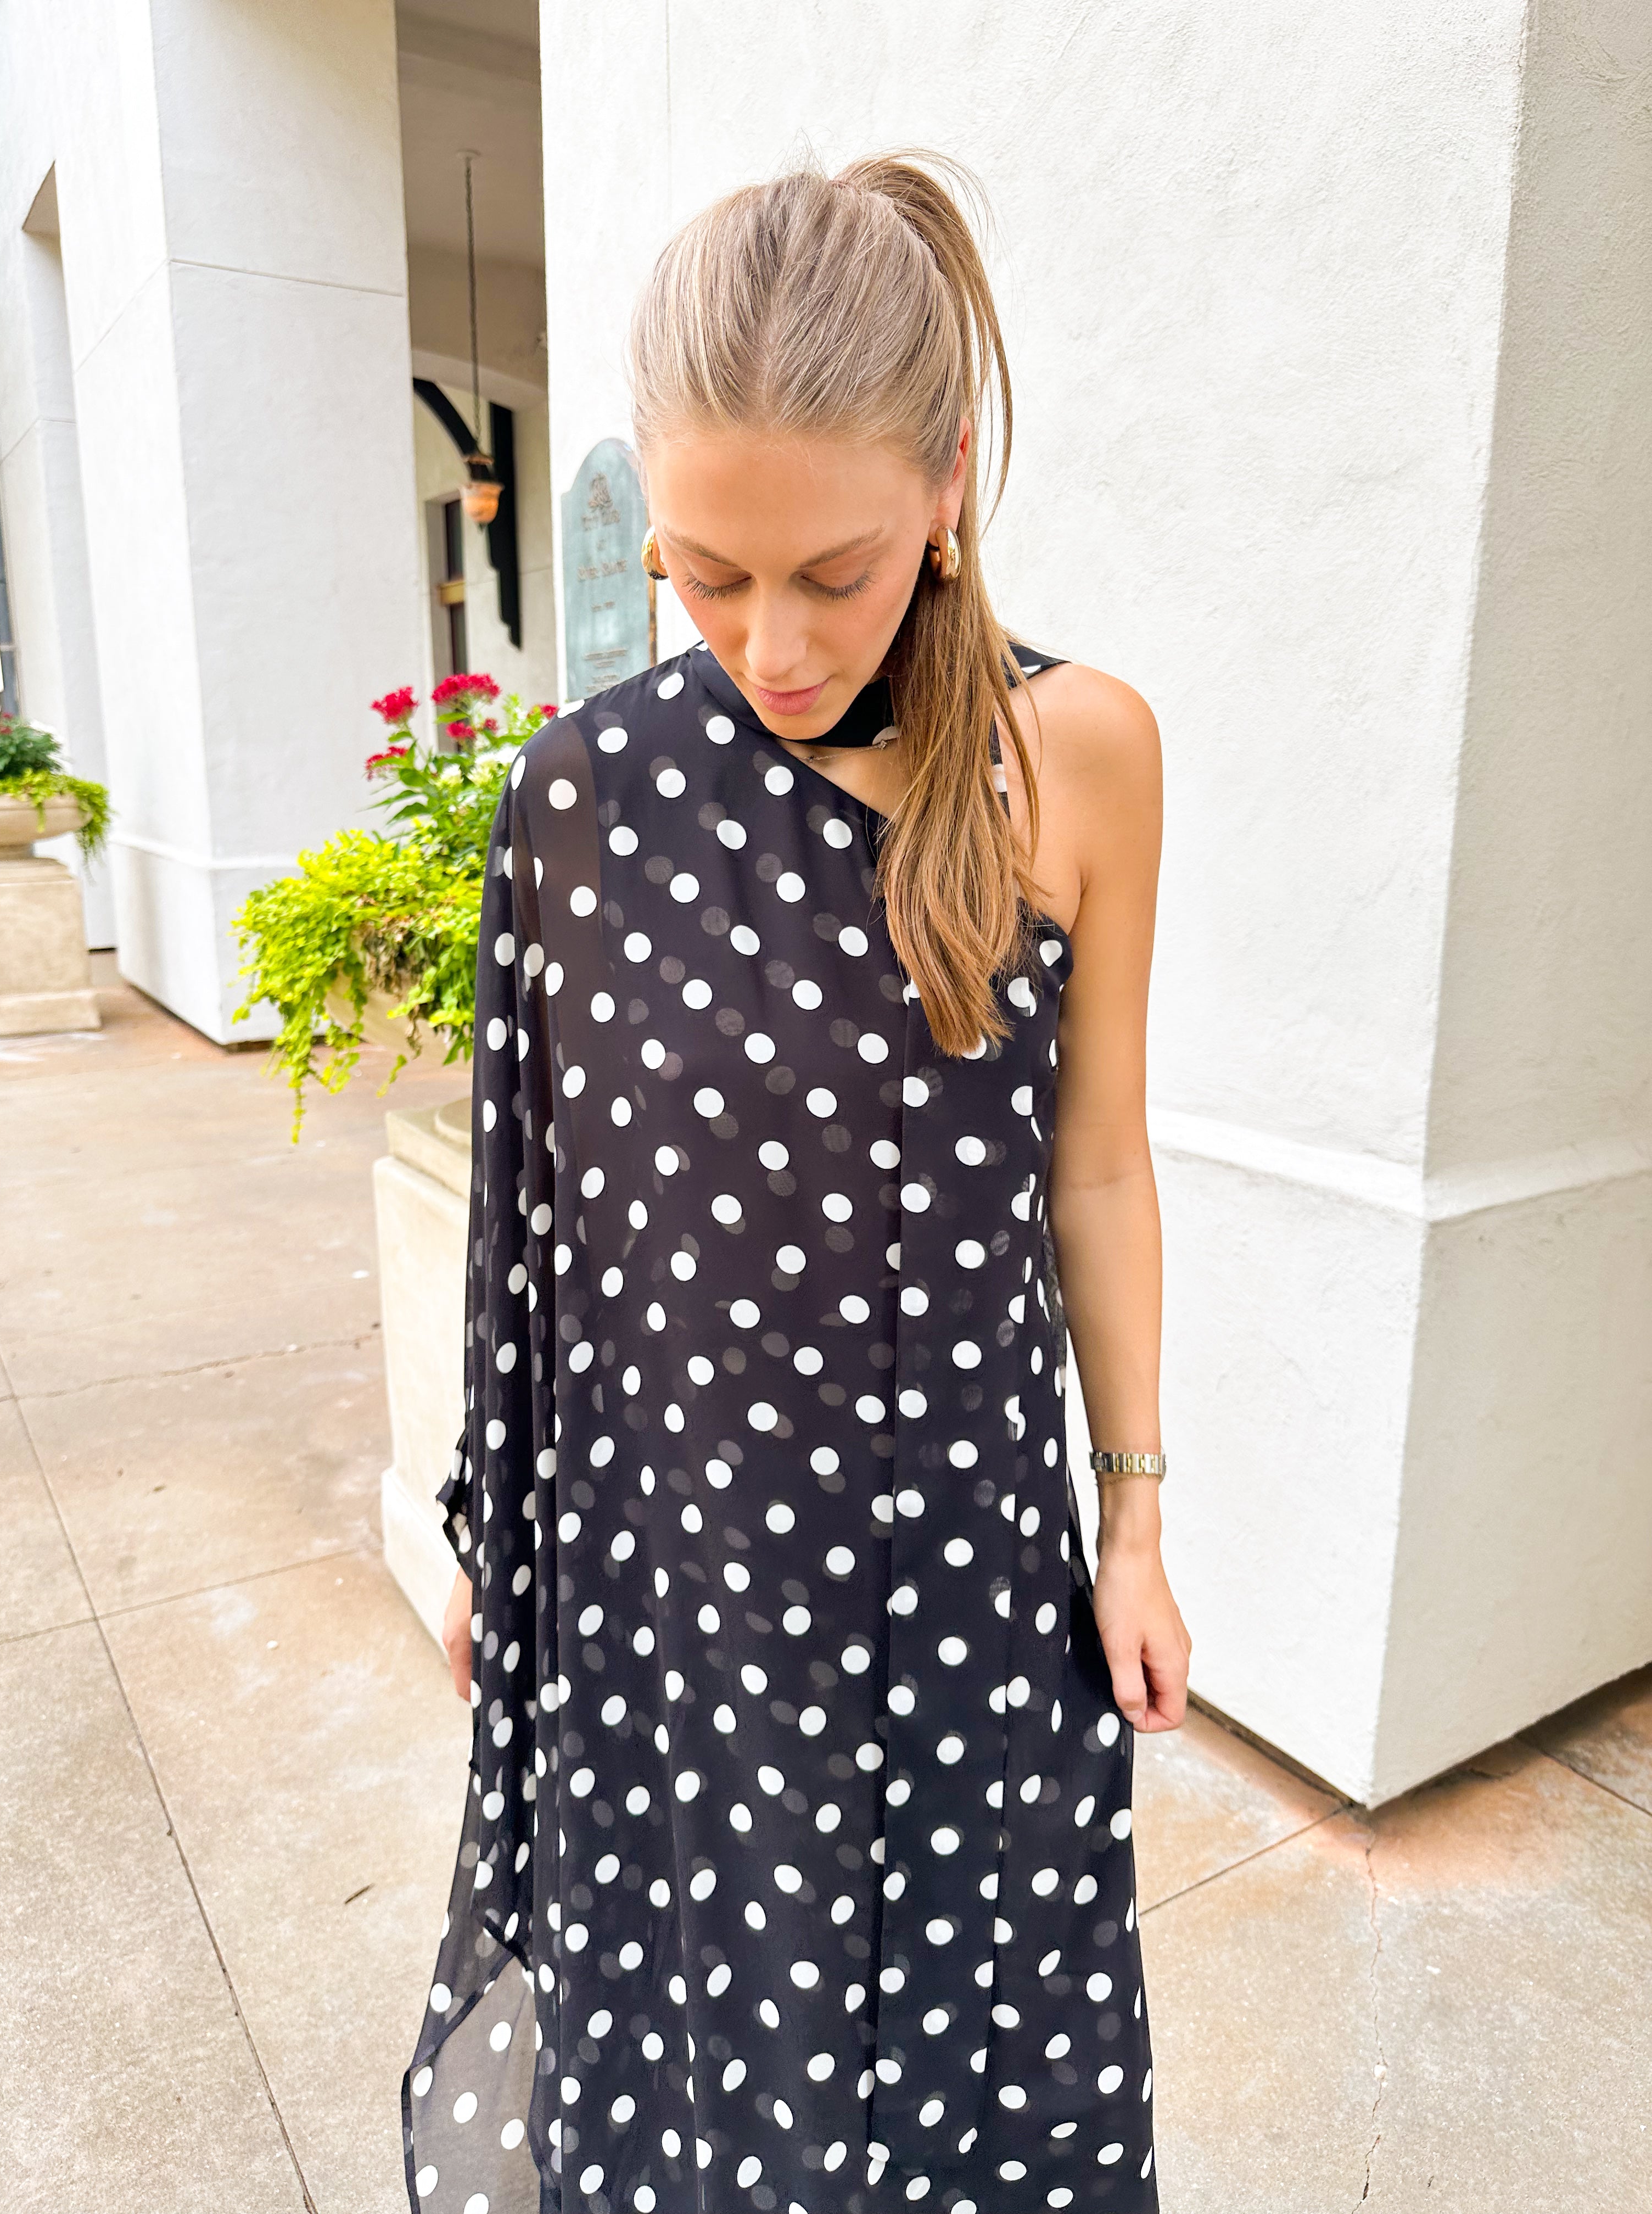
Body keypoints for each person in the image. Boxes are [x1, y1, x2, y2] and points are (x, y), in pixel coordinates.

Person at [404, 152, 1190, 2214]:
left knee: (966, 2087)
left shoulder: (1077, 758)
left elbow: (1099, 1171)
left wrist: (1132, 1521)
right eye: (703, 574)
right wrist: (503, 1526)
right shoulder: (580, 801)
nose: (768, 644)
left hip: (964, 1574)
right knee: (710, 2078)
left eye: (834, 575)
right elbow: (537, 1225)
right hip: (677, 1584)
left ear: (947, 483)